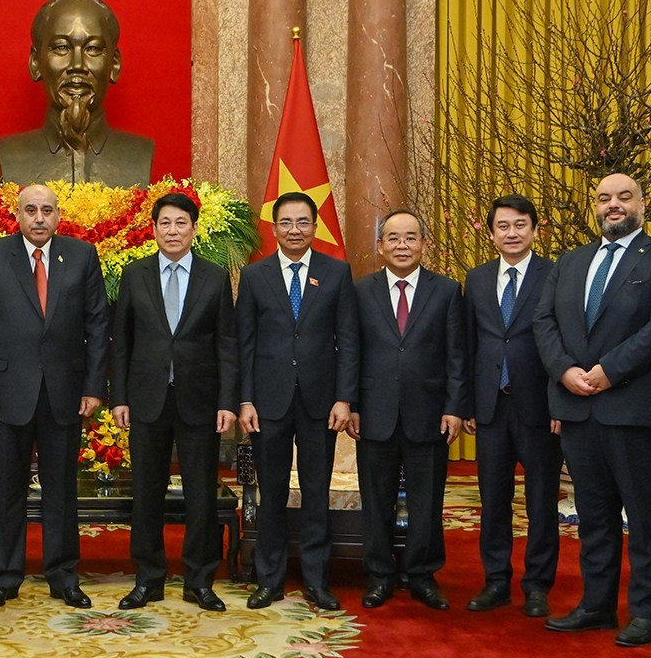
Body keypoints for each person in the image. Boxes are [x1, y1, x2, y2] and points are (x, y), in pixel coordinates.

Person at [532, 172, 651, 648]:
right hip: (579, 408)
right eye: (604, 198)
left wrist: (607, 371)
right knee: (594, 516)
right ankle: (596, 605)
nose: (613, 205)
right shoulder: (571, 261)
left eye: (624, 197)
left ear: (643, 203)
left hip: (636, 410)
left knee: (644, 517)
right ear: (593, 207)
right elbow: (544, 321)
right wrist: (564, 371)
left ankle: (644, 613)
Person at [0, 183, 109, 609]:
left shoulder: (81, 255)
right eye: (31, 210)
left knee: (61, 489)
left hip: (65, 393)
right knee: (8, 488)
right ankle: (5, 577)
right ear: (18, 215)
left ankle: (63, 575)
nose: (39, 218)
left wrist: (94, 387)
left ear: (59, 215)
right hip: (6, 395)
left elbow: (98, 327)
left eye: (47, 210)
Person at [109, 191, 238, 612]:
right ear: (154, 229)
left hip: (200, 401)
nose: (173, 230)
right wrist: (119, 397)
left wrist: (227, 401)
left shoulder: (215, 277)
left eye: (181, 223)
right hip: (146, 400)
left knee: (201, 493)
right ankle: (148, 578)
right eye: (165, 223)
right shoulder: (135, 274)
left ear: (194, 229)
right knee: (147, 492)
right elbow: (121, 343)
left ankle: (200, 580)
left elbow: (226, 344)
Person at [236, 191, 360, 611]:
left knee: (315, 493)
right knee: (270, 493)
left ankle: (316, 580)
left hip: (320, 404)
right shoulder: (255, 276)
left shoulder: (337, 273)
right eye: (286, 223)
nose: (294, 230)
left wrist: (345, 398)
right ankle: (268, 579)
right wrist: (245, 399)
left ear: (315, 227)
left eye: (303, 222)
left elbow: (348, 339)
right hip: (267, 403)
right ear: (274, 229)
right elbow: (245, 344)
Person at [353, 209, 468, 611]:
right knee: (377, 500)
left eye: (411, 237)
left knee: (427, 502)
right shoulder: (361, 290)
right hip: (374, 412)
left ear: (423, 243)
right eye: (394, 238)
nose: (402, 245)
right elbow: (352, 352)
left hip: (430, 412)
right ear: (380, 246)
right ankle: (380, 575)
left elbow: (458, 355)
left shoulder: (448, 291)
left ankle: (422, 575)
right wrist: (351, 404)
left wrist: (455, 407)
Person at [462, 195, 561, 617]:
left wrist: (561, 402)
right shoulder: (478, 278)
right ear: (491, 233)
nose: (512, 233)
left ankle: (537, 584)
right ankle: (496, 580)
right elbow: (468, 344)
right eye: (503, 226)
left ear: (535, 230)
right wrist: (465, 402)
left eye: (520, 225)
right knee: (493, 499)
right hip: (490, 407)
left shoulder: (555, 274)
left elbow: (564, 342)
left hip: (539, 407)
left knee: (541, 499)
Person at [0, 0, 154, 186]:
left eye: (92, 49)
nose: (77, 65)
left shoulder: (139, 154)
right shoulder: (11, 154)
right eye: (61, 48)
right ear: (36, 63)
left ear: (114, 64)